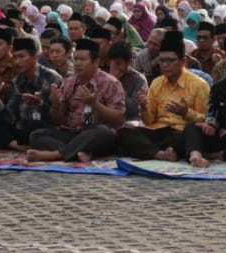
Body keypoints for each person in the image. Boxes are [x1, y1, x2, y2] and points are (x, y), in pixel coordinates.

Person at [26, 39, 125, 163]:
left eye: (83, 60)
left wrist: (94, 104)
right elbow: (58, 121)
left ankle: (56, 155)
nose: (77, 64)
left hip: (97, 136)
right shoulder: (69, 82)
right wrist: (55, 105)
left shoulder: (111, 83)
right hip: (73, 133)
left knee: (103, 132)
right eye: (76, 59)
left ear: (97, 62)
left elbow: (119, 118)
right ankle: (79, 152)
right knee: (36, 135)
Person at [117, 31, 209, 161]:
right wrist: (143, 107)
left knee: (185, 137)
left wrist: (186, 113)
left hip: (181, 132)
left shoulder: (199, 85)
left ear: (183, 62)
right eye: (162, 60)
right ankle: (160, 154)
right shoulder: (156, 83)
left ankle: (152, 150)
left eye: (170, 60)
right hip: (158, 130)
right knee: (125, 133)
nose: (165, 65)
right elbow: (150, 121)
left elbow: (206, 121)